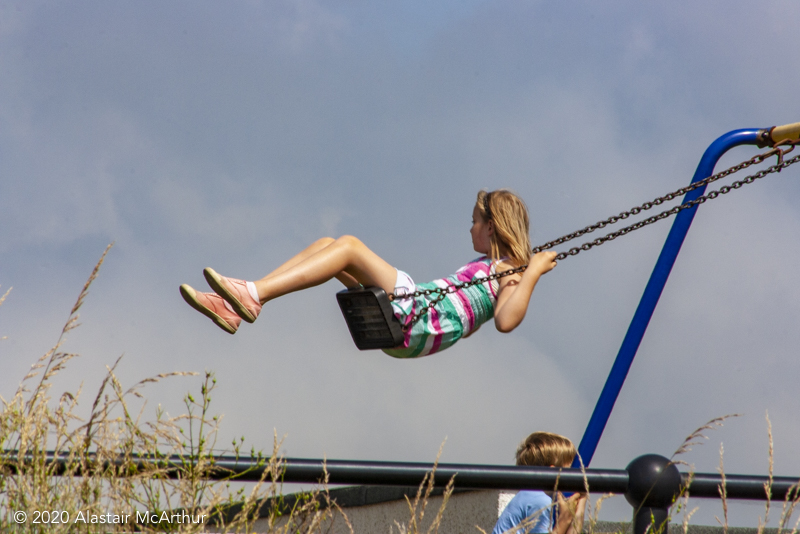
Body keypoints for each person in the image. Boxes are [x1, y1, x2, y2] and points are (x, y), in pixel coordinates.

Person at [179, 189, 558, 358]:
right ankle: (236, 304)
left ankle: (252, 295)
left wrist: (534, 271)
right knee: (330, 246)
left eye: (474, 221)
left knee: (349, 246)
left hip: (418, 313)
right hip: (413, 322)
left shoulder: (511, 269)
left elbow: (507, 320)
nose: (469, 228)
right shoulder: (494, 268)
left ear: (492, 227)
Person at [492, 432, 587, 534]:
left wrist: (582, 498)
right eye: (570, 470)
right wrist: (564, 520)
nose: (574, 476)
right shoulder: (538, 501)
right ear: (554, 473)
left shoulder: (540, 498)